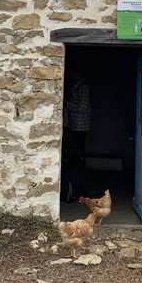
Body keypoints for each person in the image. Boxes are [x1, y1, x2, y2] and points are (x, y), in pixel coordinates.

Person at [62, 69, 91, 201]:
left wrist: (66, 105)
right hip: (73, 125)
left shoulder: (83, 88)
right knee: (73, 156)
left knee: (78, 156)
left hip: (80, 126)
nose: (72, 75)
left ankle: (79, 188)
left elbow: (82, 107)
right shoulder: (74, 87)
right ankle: (75, 187)